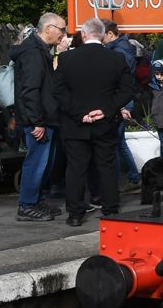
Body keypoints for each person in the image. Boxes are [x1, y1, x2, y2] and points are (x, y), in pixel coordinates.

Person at [52, 18, 136, 227]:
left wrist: (79, 113)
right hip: (104, 122)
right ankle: (110, 208)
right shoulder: (116, 59)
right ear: (102, 35)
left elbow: (58, 91)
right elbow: (127, 90)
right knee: (106, 165)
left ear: (84, 34)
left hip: (75, 123)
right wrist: (106, 110)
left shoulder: (66, 59)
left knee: (76, 168)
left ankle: (75, 213)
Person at [9, 13, 67, 221]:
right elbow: (30, 90)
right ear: (48, 28)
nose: (64, 34)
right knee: (36, 162)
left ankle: (36, 200)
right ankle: (27, 204)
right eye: (62, 29)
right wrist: (36, 121)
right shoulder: (33, 53)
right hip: (39, 119)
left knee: (45, 162)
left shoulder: (40, 51)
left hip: (46, 117)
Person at [102, 20, 141, 189]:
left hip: (120, 100)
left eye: (102, 36)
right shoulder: (121, 48)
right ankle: (133, 176)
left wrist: (122, 106)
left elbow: (120, 80)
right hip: (123, 100)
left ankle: (117, 181)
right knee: (119, 142)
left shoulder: (119, 52)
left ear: (110, 34)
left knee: (115, 143)